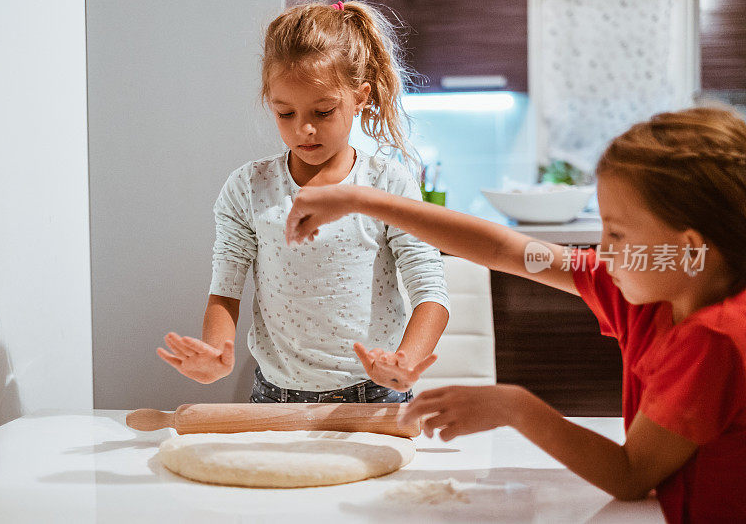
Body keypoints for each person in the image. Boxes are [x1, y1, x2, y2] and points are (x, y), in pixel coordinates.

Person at [285, 107, 746, 522]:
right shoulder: (645, 293)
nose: (602, 250)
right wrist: (361, 200)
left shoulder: (715, 337)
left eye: (617, 234)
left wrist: (516, 407)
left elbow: (630, 475)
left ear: (686, 250)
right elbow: (506, 249)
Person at [156, 0, 450, 404]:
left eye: (324, 111)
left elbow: (430, 287)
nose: (304, 129)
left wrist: (405, 361)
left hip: (375, 394)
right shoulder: (248, 187)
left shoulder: (386, 184)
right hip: (274, 394)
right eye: (285, 112)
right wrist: (217, 351)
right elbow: (225, 289)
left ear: (360, 96)